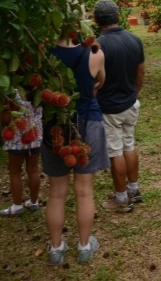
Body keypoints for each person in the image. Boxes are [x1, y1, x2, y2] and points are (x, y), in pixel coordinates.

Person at [43, 36, 108, 265]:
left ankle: (56, 249)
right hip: (87, 121)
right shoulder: (95, 52)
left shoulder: (43, 55)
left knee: (56, 193)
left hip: (55, 125)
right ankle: (83, 246)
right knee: (84, 191)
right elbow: (100, 81)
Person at [93, 0, 145, 213]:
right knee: (129, 146)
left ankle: (122, 198)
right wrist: (134, 93)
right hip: (130, 103)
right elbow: (140, 72)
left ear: (96, 20)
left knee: (116, 152)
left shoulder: (98, 46)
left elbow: (95, 79)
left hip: (109, 108)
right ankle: (134, 189)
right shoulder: (134, 40)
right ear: (117, 17)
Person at [0, 88, 43, 217]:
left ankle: (17, 206)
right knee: (33, 169)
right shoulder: (38, 90)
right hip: (35, 136)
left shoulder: (10, 91)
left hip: (16, 139)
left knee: (14, 171)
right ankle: (34, 202)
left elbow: (6, 119)